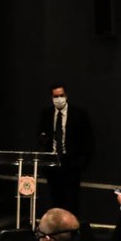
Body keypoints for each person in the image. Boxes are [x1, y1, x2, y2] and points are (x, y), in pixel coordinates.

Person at [37, 83, 93, 215]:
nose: (59, 99)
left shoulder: (79, 114)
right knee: (56, 199)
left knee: (72, 200)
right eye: (56, 96)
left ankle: (71, 230)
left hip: (72, 164)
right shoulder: (46, 113)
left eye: (61, 95)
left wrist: (81, 163)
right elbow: (40, 135)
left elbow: (88, 140)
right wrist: (44, 139)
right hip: (53, 164)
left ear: (66, 96)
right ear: (51, 97)